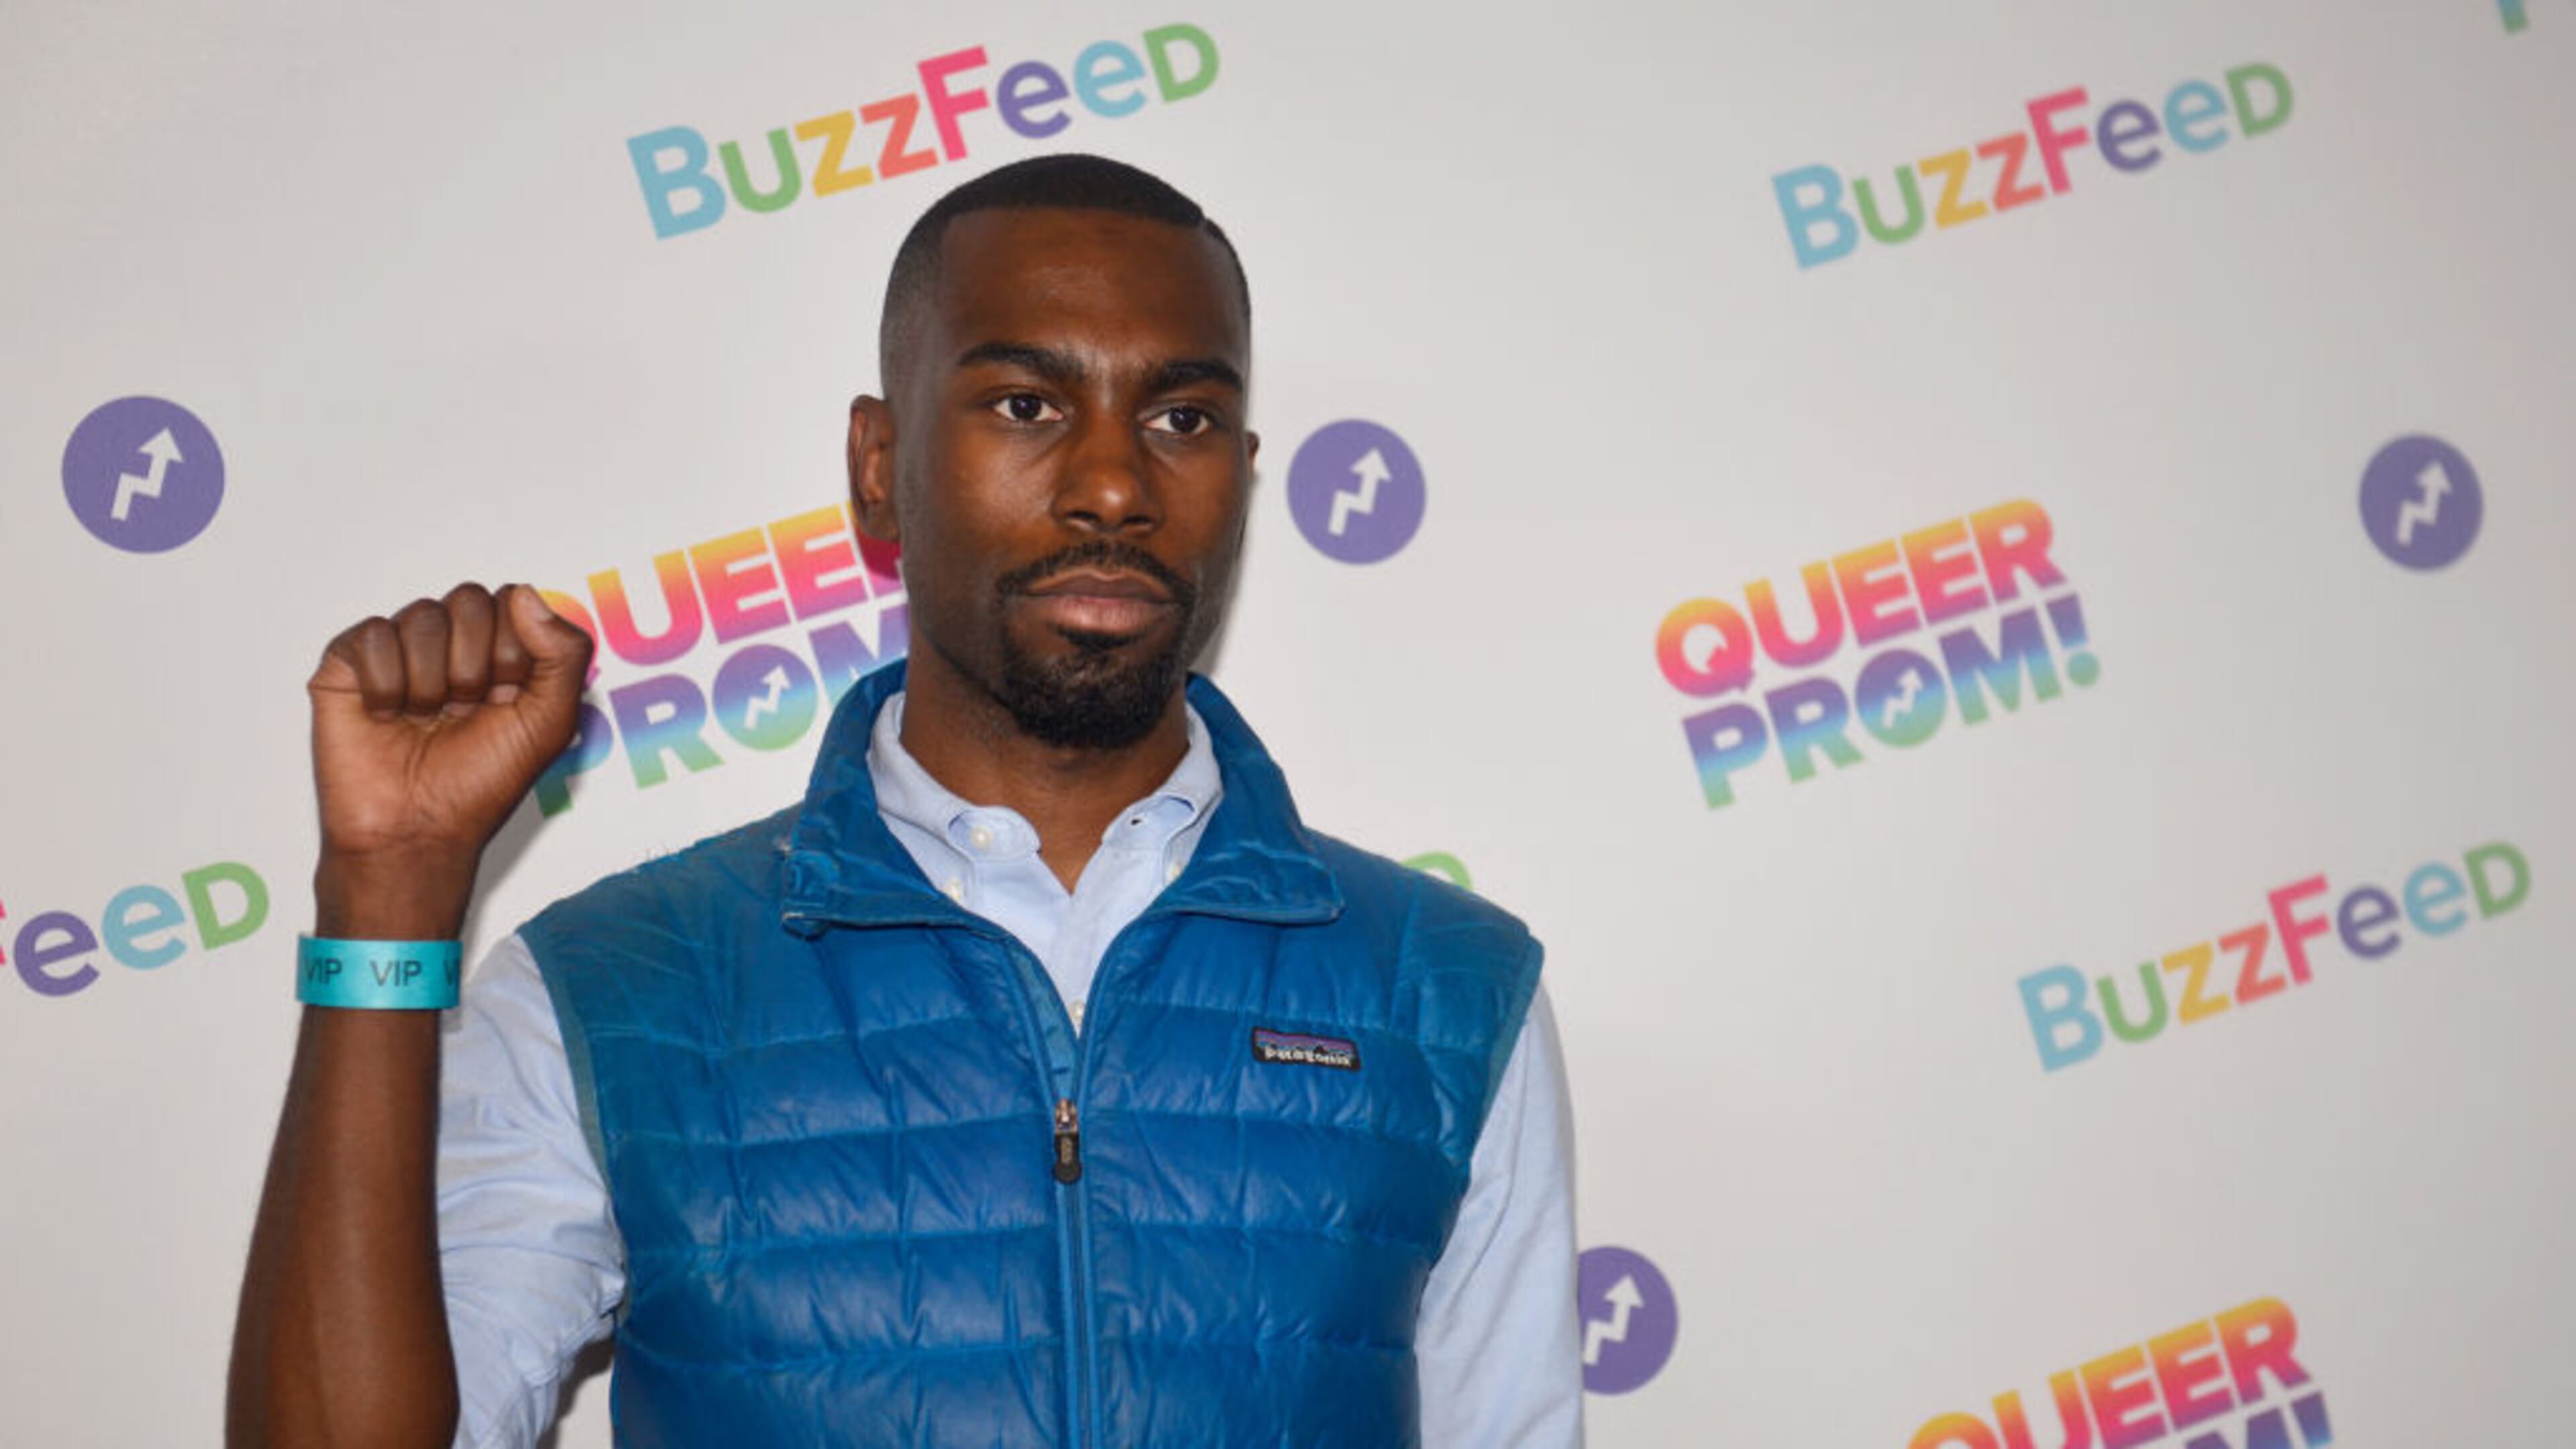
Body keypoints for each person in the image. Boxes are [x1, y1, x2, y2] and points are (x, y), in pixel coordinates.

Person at [228, 154, 1579, 1448]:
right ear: (878, 464)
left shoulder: (1451, 992)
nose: (1115, 486)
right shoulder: (612, 992)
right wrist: (388, 891)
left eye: (1183, 419)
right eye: (1027, 405)